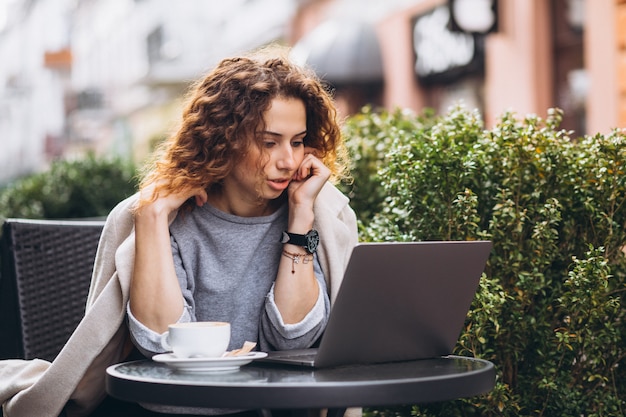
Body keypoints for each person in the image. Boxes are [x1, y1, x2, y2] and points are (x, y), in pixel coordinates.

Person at [0, 45, 358, 417]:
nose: (288, 160)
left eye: (297, 142)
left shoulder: (316, 211)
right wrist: (151, 219)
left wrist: (301, 220)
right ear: (225, 139)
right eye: (269, 142)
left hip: (274, 407)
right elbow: (159, 341)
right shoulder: (166, 216)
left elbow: (293, 338)